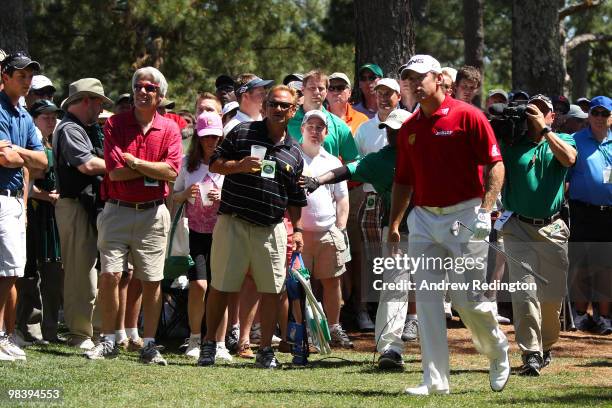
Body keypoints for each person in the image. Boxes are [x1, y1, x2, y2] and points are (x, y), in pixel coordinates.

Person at [388, 54, 509, 395]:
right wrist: (395, 223)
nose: (413, 83)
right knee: (427, 298)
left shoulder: (469, 116)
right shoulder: (409, 128)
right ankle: (435, 379)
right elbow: (403, 181)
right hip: (424, 218)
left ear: (439, 79)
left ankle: (496, 347)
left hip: (465, 214)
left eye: (419, 77)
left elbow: (496, 165)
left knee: (466, 298)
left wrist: (485, 211)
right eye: (408, 78)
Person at [198, 85, 307, 369]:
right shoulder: (242, 132)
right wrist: (239, 166)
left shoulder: (294, 152)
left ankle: (265, 351)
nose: (278, 109)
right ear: (264, 106)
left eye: (285, 105)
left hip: (271, 227)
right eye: (273, 103)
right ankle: (209, 345)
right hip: (233, 220)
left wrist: (297, 230)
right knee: (221, 285)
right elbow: (215, 163)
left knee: (271, 290)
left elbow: (295, 198)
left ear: (293, 110)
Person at [302, 109, 413, 368]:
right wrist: (318, 180)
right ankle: (389, 350)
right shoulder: (382, 160)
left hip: (435, 228)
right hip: (398, 232)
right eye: (389, 129)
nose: (393, 134)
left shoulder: (430, 155)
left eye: (400, 129)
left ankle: (436, 350)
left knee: (438, 292)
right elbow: (348, 170)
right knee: (394, 290)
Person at [88, 67, 182, 366]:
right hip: (116, 210)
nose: (143, 92)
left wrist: (137, 162)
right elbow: (114, 171)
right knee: (110, 275)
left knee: (152, 281)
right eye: (139, 86)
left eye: (150, 88)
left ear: (161, 96)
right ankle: (110, 338)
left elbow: (172, 172)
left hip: (153, 214)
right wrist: (153, 166)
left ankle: (150, 344)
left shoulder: (170, 129)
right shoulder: (115, 123)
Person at [499, 94, 577, 376]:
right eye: (532, 110)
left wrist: (544, 131)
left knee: (551, 297)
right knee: (524, 293)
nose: (535, 114)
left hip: (552, 228)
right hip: (517, 227)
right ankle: (530, 352)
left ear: (552, 117)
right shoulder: (512, 146)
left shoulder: (564, 140)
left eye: (542, 111)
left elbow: (569, 160)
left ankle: (546, 345)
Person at [53, 78, 110, 350]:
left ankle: (95, 331)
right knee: (80, 270)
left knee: (95, 269)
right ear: (86, 100)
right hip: (75, 206)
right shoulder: (69, 128)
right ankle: (80, 333)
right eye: (99, 101)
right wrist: (123, 166)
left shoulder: (87, 128)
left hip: (89, 205)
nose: (101, 108)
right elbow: (87, 165)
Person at [0, 52, 48, 361]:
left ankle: (4, 335)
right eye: (21, 76)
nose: (27, 81)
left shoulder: (25, 116)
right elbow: (4, 159)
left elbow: (43, 161)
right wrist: (21, 154)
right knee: (3, 273)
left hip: (16, 199)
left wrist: (17, 151)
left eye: (30, 76)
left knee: (11, 272)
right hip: (1, 196)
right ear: (4, 76)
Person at [173, 111, 231, 360]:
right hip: (196, 233)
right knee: (199, 285)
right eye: (206, 137)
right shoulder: (188, 164)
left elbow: (239, 199)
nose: (211, 142)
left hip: (224, 233)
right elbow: (173, 196)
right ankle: (195, 338)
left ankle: (219, 343)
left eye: (216, 137)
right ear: (198, 137)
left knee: (221, 287)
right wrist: (186, 193)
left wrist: (224, 197)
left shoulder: (230, 165)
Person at [299, 110, 351, 348]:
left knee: (332, 282)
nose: (315, 131)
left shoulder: (332, 162)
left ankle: (333, 327)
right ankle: (301, 330)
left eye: (320, 128)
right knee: (298, 285)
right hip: (298, 234)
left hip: (327, 232)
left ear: (326, 133)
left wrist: (340, 229)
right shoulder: (292, 156)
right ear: (302, 128)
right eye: (311, 126)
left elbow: (342, 199)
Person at [353, 78, 402, 331]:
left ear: (399, 95)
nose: (384, 97)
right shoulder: (364, 128)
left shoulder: (407, 122)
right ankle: (365, 310)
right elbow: (358, 166)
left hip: (404, 203)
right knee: (368, 257)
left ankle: (402, 316)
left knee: (398, 260)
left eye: (389, 93)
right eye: (379, 92)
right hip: (372, 198)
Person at [16, 100, 63, 345]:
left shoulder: (54, 142)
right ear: (34, 119)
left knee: (54, 273)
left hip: (51, 219)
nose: (51, 120)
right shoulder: (29, 145)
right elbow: (27, 185)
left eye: (53, 116)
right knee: (29, 273)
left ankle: (50, 329)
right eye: (45, 116)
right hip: (33, 215)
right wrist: (49, 196)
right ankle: (29, 327)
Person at [567, 95, 612, 335]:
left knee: (606, 267)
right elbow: (565, 176)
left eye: (604, 114)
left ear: (611, 117)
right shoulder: (575, 140)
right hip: (581, 211)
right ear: (589, 115)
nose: (599, 118)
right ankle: (581, 315)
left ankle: (604, 318)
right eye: (595, 113)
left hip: (608, 214)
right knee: (581, 264)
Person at [287, 70, 358, 162]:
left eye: (321, 88)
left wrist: (337, 174)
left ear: (326, 92)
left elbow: (354, 161)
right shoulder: (288, 121)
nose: (317, 92)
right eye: (312, 88)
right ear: (303, 90)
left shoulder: (339, 125)